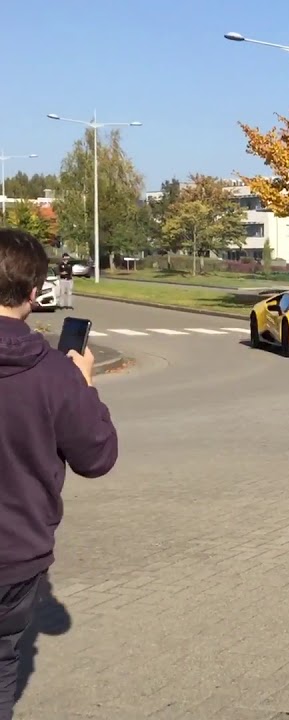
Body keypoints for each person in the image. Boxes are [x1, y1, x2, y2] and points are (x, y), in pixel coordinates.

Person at [0, 229, 118, 720]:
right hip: (15, 559)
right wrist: (83, 386)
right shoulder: (55, 374)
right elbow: (97, 458)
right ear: (34, 294)